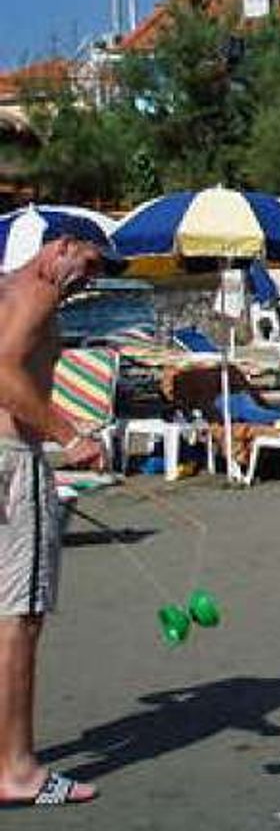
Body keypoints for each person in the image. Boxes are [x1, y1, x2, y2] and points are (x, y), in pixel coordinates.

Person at [0, 232, 117, 807]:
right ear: (61, 246)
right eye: (89, 264)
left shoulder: (7, 289)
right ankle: (16, 771)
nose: (88, 279)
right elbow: (2, 371)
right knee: (19, 617)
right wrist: (69, 434)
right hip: (12, 463)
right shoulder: (37, 293)